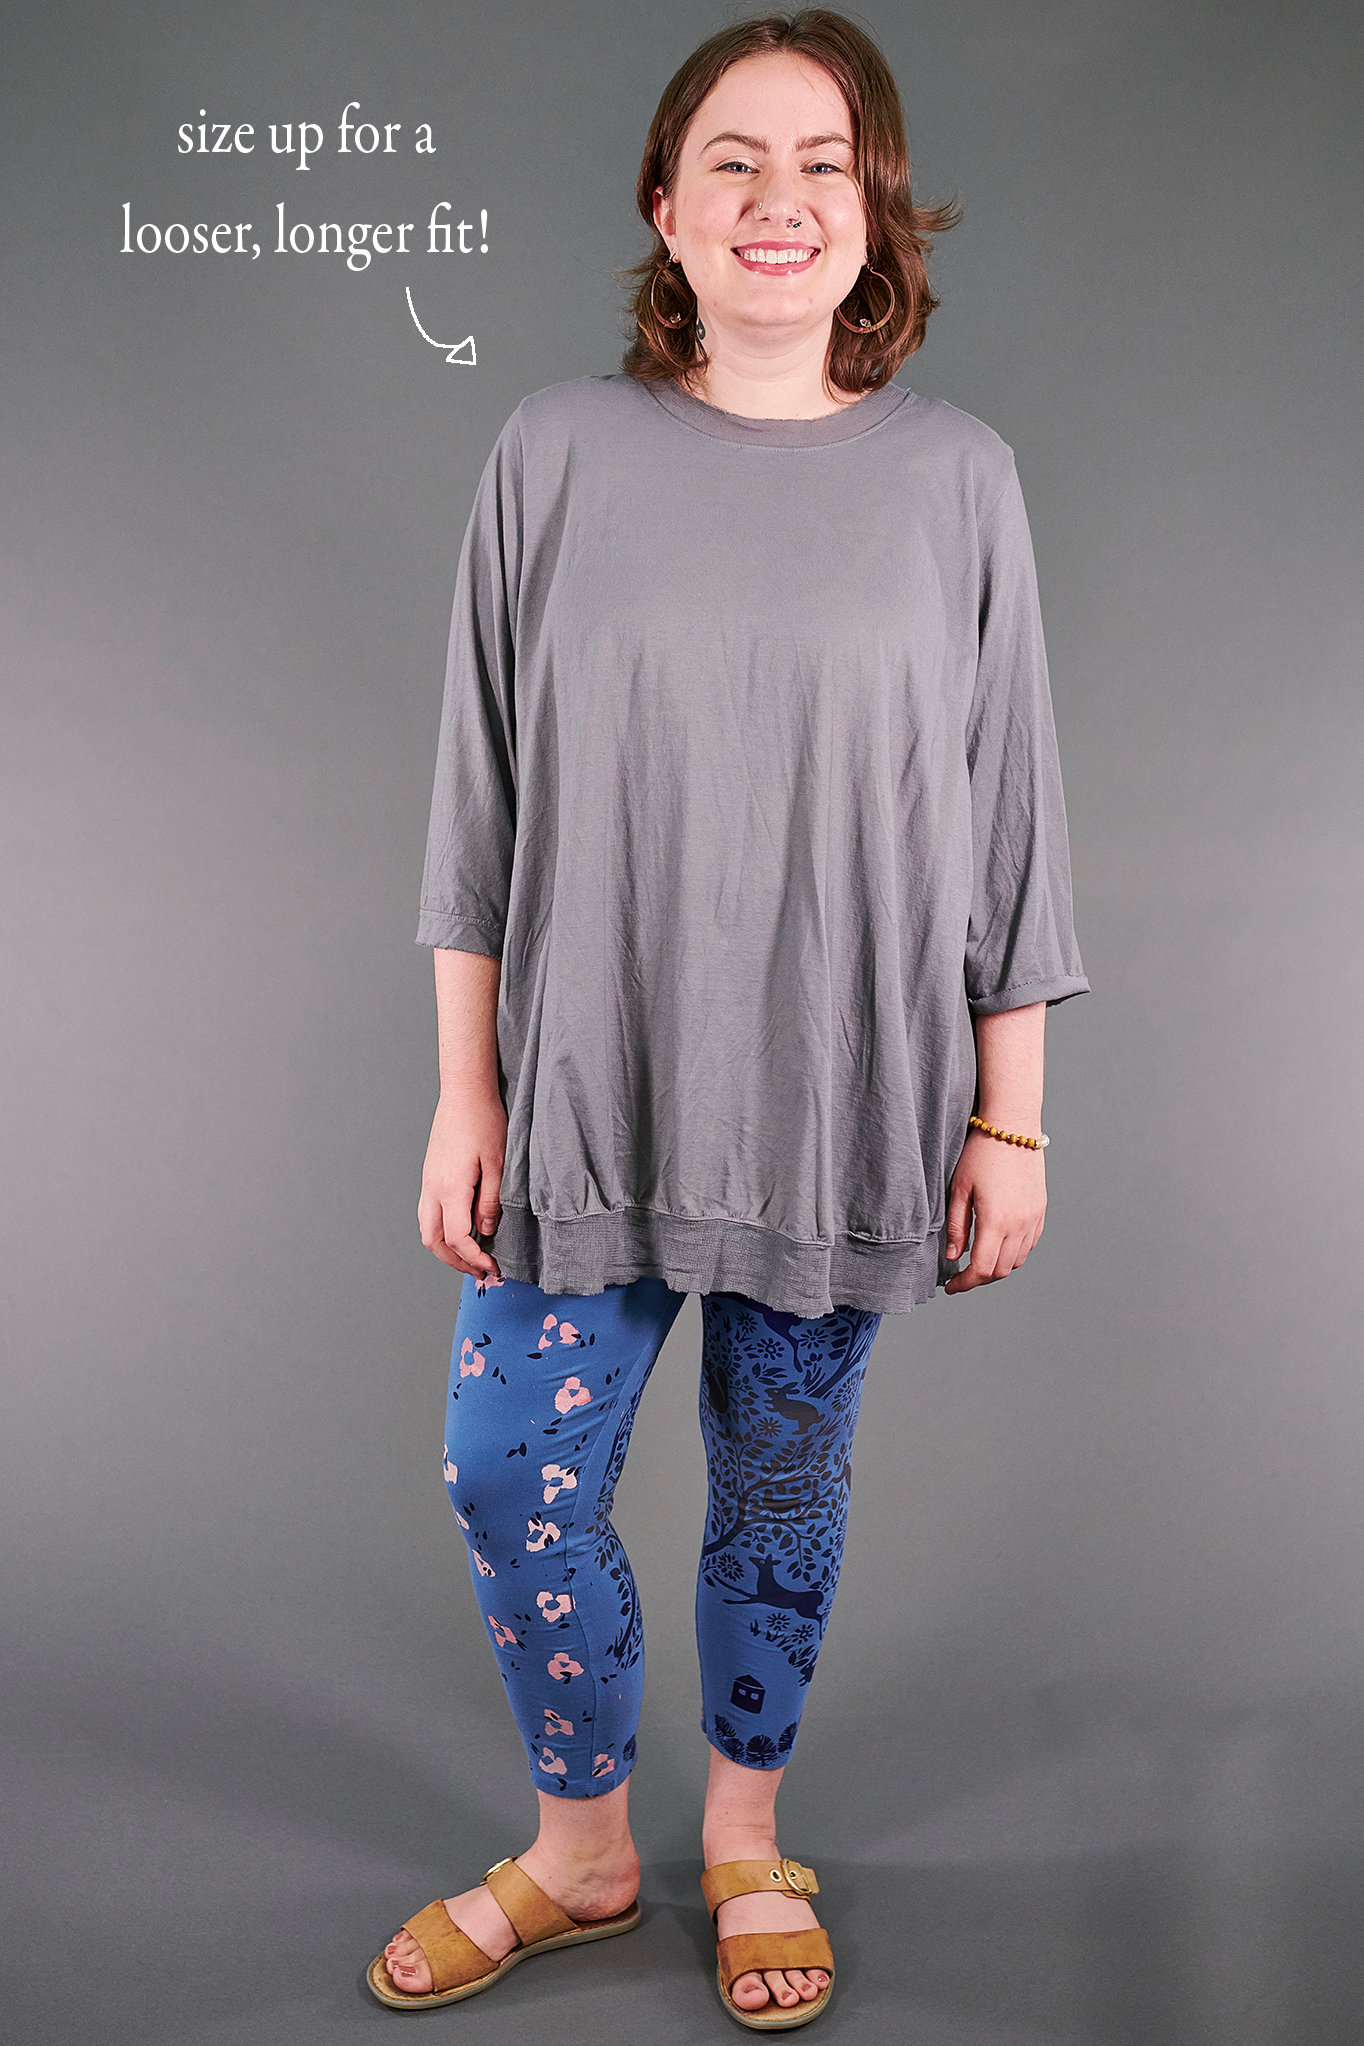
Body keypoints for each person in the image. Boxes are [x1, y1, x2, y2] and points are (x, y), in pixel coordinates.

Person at [368, 8, 1087, 2027]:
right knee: (508, 1471)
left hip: (843, 1096)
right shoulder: (552, 451)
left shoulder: (960, 483)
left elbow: (1012, 825)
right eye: (735, 161)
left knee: (780, 1492)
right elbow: (478, 803)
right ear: (665, 207)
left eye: (824, 163)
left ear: (876, 213)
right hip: (589, 1086)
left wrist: (1010, 1118)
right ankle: (581, 1849)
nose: (782, 200)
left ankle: (747, 1834)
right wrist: (462, 1090)